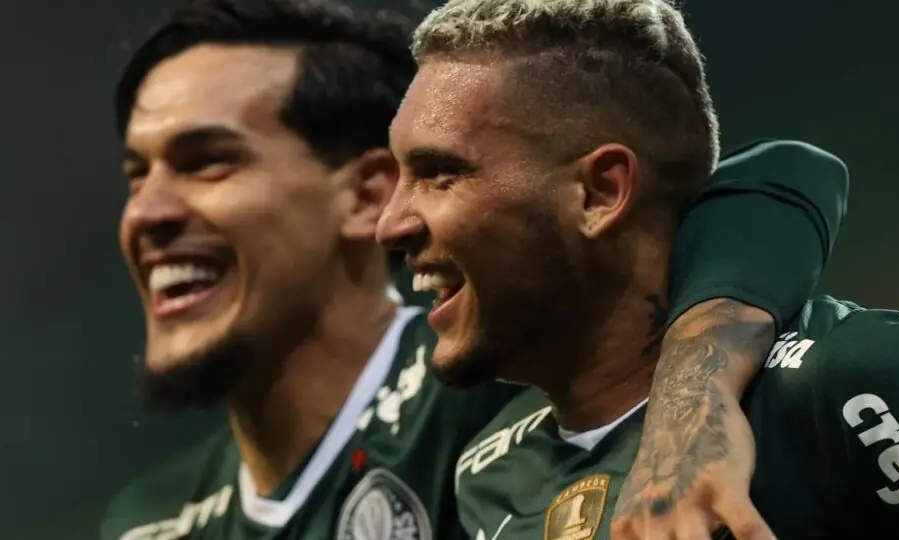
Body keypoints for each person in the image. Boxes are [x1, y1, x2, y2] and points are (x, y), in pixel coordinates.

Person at [102, 0, 847, 539]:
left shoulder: (488, 377)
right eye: (137, 174)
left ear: (365, 195)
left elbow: (778, 179)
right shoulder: (147, 522)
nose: (147, 212)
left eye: (208, 163)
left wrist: (694, 397)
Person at [380, 0, 899, 539]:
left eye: (439, 174)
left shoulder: (850, 390)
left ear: (600, 193)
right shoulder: (489, 471)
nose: (391, 224)